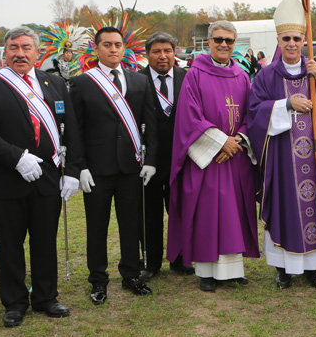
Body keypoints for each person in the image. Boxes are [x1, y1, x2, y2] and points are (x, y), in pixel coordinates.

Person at [0, 26, 81, 327]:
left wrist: (72, 170)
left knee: (45, 242)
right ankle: (15, 302)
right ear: (4, 52)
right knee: (9, 245)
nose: (20, 53)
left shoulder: (54, 83)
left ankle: (46, 297)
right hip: (7, 179)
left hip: (48, 179)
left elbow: (69, 128)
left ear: (37, 52)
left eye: (26, 47)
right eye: (13, 48)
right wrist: (16, 157)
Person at [247, 0, 316, 289]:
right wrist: (287, 104)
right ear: (278, 40)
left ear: (305, 41)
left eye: (297, 38)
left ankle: (314, 267)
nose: (292, 44)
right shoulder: (266, 75)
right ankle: (283, 268)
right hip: (281, 156)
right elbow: (254, 113)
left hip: (315, 155)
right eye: (286, 38)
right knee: (284, 205)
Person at [167, 21, 260, 292]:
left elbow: (250, 115)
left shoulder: (242, 76)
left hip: (235, 158)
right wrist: (221, 142)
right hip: (208, 159)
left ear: (235, 44)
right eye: (218, 39)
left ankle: (233, 270)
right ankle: (206, 271)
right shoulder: (194, 75)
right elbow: (189, 117)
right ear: (209, 42)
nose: (223, 45)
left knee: (235, 213)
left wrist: (239, 140)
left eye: (229, 41)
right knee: (208, 213)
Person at [70, 26, 157, 304]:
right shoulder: (82, 83)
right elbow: (75, 130)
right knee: (96, 227)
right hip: (96, 169)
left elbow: (151, 124)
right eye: (106, 45)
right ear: (96, 49)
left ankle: (131, 274)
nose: (113, 49)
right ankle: (98, 280)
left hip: (131, 168)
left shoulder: (139, 81)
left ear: (124, 48)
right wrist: (79, 166)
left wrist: (151, 160)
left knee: (131, 224)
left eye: (117, 45)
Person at [138, 32, 192, 279]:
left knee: (180, 211)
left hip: (181, 160)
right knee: (149, 214)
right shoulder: (135, 80)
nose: (162, 56)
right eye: (156, 51)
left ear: (175, 52)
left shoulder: (188, 78)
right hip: (148, 162)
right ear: (147, 54)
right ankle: (151, 262)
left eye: (167, 51)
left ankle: (181, 258)